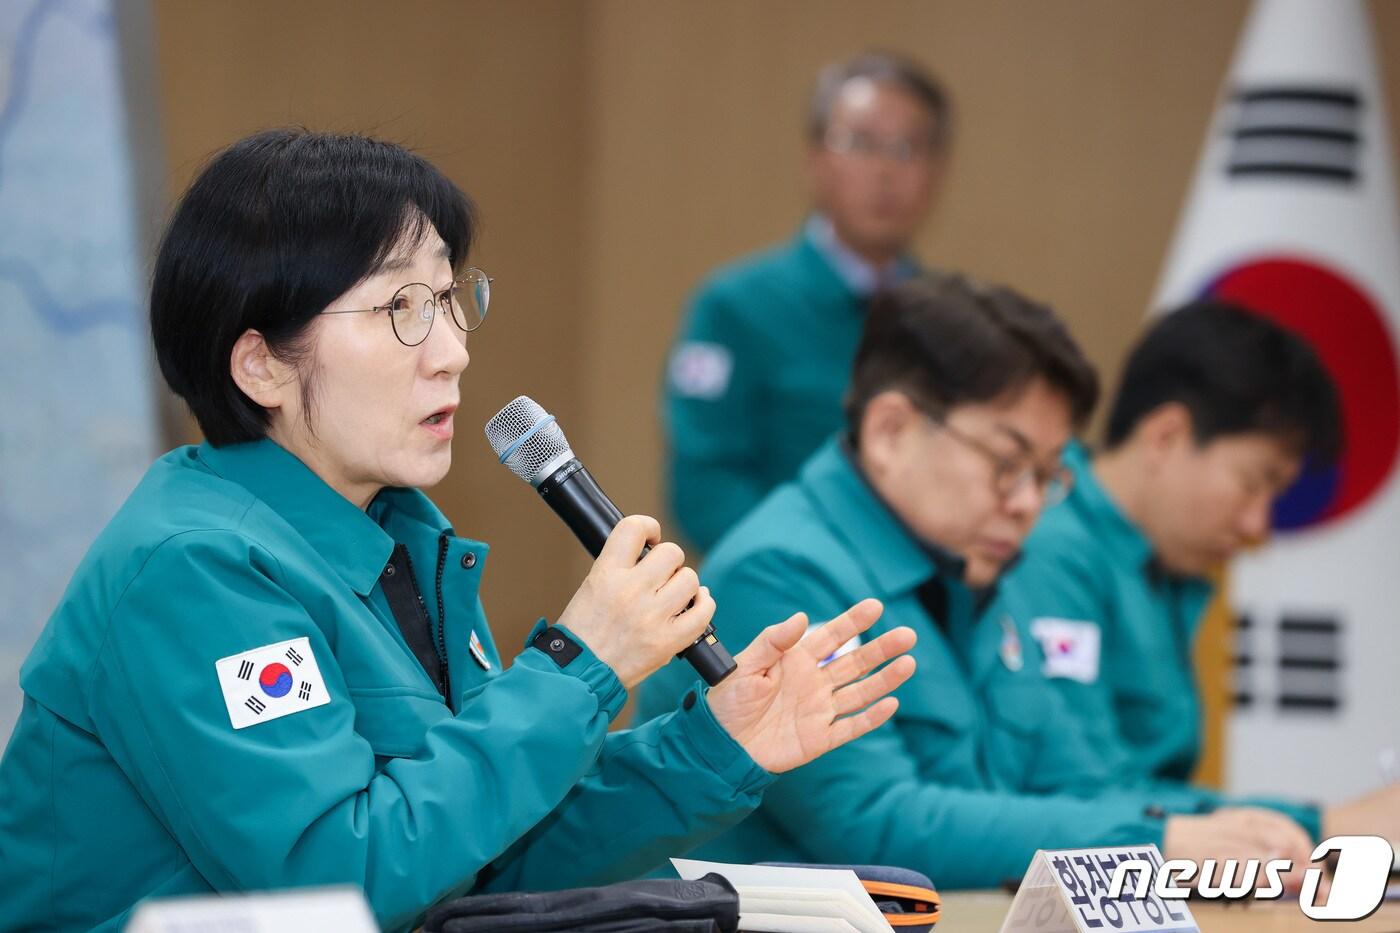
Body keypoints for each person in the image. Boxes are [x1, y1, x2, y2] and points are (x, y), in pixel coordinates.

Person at [0, 130, 918, 932]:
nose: (452, 350)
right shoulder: (192, 567)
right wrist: (581, 661)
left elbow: (483, 870)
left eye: (449, 300)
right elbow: (338, 882)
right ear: (261, 365)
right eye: (401, 309)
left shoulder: (400, 539)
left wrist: (720, 742)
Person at [638, 274, 1334, 889]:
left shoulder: (978, 568)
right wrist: (1163, 845)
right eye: (1008, 463)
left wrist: (1269, 827)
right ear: (889, 431)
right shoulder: (785, 570)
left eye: (1047, 474)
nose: (1029, 502)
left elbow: (1077, 783)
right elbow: (879, 825)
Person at [1002, 304, 1338, 781]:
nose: (1257, 525)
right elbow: (1084, 792)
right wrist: (1317, 825)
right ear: (1165, 436)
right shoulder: (1051, 546)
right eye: (1252, 482)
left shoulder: (1165, 565)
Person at [663, 51, 950, 551]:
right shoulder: (735, 306)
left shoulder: (952, 318)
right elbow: (706, 490)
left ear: (938, 171)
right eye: (860, 143)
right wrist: (817, 564)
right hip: (788, 595)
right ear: (814, 159)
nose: (885, 170)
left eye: (908, 148)